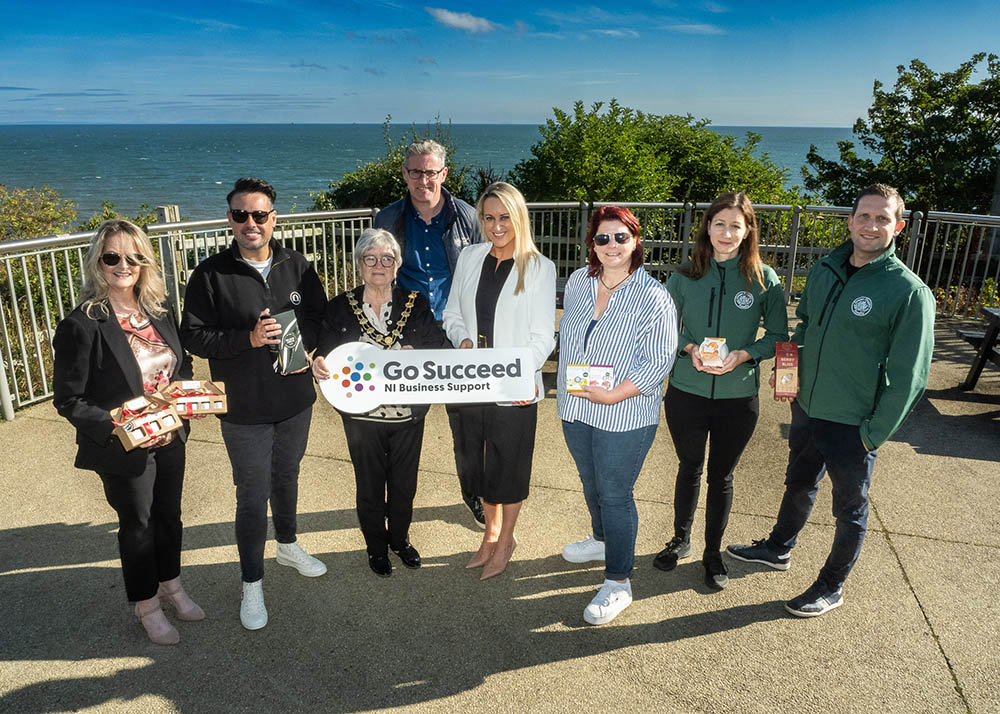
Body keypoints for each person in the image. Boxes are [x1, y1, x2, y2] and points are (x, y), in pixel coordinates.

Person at [727, 184, 935, 617]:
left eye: (882, 219)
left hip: (854, 423)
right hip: (807, 406)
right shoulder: (825, 269)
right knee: (799, 482)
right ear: (850, 221)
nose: (871, 226)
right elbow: (805, 328)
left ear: (898, 227)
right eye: (864, 216)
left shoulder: (909, 292)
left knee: (850, 508)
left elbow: (909, 376)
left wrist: (872, 434)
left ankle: (831, 586)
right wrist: (788, 375)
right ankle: (779, 548)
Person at [180, 177, 328, 631]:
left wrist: (315, 352)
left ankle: (287, 544)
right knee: (251, 494)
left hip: (296, 400)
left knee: (287, 476)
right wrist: (244, 338)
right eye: (241, 215)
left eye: (259, 215)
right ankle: (251, 582)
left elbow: (320, 319)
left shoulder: (297, 264)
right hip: (243, 407)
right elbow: (193, 335)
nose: (250, 223)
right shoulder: (210, 273)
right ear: (229, 219)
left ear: (273, 218)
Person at [53, 219, 204, 646]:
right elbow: (69, 399)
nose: (124, 265)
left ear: (145, 262)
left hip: (171, 435)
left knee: (169, 516)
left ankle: (171, 585)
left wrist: (190, 399)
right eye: (113, 257)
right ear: (97, 263)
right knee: (138, 524)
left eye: (134, 257)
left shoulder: (158, 311)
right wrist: (119, 423)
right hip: (125, 447)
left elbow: (182, 364)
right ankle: (146, 604)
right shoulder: (82, 325)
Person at [654, 192, 788, 591]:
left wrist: (746, 354)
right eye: (719, 224)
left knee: (721, 475)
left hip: (737, 398)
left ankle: (713, 552)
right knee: (689, 467)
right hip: (686, 391)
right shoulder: (682, 277)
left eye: (735, 225)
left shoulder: (765, 279)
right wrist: (689, 348)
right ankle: (681, 539)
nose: (726, 233)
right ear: (707, 228)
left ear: (748, 231)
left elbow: (780, 338)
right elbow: (664, 329)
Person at [558, 206, 677, 625]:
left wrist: (614, 396)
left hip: (625, 414)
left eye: (620, 238)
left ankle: (618, 582)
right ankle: (602, 539)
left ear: (636, 241)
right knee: (591, 483)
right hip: (575, 406)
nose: (611, 246)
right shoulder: (578, 282)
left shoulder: (653, 295)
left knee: (614, 493)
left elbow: (658, 360)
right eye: (603, 238)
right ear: (592, 243)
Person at [312, 228, 448, 577]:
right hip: (362, 417)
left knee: (405, 484)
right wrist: (319, 364)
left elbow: (439, 348)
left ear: (396, 266)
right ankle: (376, 546)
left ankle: (399, 540)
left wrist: (415, 354)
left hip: (407, 416)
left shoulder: (415, 304)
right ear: (359, 265)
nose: (378, 265)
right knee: (369, 484)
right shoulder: (340, 307)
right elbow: (323, 352)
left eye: (387, 259)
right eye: (370, 259)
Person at [442, 182, 556, 580]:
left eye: (504, 217)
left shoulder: (540, 267)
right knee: (478, 460)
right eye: (488, 218)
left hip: (514, 386)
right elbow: (451, 313)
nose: (496, 226)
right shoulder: (471, 257)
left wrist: (518, 373)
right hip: (472, 381)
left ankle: (506, 538)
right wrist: (464, 339)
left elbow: (545, 336)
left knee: (509, 462)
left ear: (518, 217)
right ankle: (489, 535)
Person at [373, 139, 486, 528]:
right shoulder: (386, 219)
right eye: (416, 171)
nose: (424, 179)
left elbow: (483, 275)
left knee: (468, 423)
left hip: (457, 331)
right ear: (405, 174)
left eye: (431, 171)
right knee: (404, 424)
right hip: (408, 332)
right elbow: (375, 275)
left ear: (444, 174)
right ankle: (398, 507)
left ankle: (474, 495)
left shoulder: (469, 218)